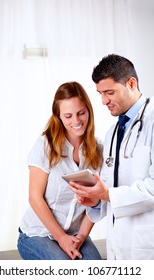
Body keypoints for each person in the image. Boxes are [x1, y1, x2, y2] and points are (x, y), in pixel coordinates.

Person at [69, 54, 154, 260]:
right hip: (118, 243)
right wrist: (96, 199)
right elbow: (109, 185)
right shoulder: (112, 133)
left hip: (147, 242)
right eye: (100, 93)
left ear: (131, 83)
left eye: (109, 92)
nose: (104, 100)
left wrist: (107, 194)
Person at [17, 81, 103, 260]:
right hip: (37, 233)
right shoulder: (45, 146)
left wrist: (81, 236)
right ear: (59, 117)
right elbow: (35, 197)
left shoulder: (100, 150)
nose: (76, 121)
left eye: (81, 113)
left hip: (75, 233)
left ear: (89, 111)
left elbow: (97, 202)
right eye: (68, 116)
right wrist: (61, 238)